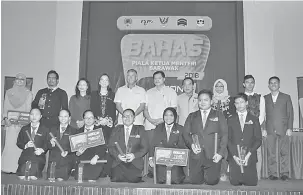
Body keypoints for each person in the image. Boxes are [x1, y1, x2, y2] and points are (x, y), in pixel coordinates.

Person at [183, 89, 228, 185]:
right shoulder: (192, 116)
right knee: (195, 181)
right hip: (197, 154)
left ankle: (213, 174)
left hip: (213, 155)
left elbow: (224, 134)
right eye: (200, 100)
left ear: (211, 101)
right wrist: (191, 145)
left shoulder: (219, 115)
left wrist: (220, 153)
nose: (202, 102)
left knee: (212, 181)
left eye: (205, 100)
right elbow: (185, 133)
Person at [144, 71, 178, 177]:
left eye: (159, 78)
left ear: (164, 79)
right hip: (150, 125)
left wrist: (163, 121)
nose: (157, 80)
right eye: (155, 78)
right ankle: (150, 171)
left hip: (165, 125)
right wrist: (151, 119)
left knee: (163, 148)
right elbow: (145, 109)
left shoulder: (171, 92)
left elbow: (174, 110)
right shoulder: (148, 92)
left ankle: (162, 171)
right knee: (151, 147)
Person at [227, 93, 262, 186]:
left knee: (251, 183)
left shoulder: (254, 119)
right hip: (235, 157)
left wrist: (248, 155)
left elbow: (258, 139)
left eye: (242, 102)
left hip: (249, 156)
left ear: (246, 103)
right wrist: (234, 156)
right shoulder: (230, 119)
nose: (239, 105)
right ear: (234, 105)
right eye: (237, 103)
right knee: (235, 183)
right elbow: (227, 139)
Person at [1, 73, 33, 174]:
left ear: (25, 82)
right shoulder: (8, 92)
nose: (19, 81)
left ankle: (17, 168)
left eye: (22, 80)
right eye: (18, 79)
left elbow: (28, 109)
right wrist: (5, 118)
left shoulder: (29, 93)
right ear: (14, 81)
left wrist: (24, 121)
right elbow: (5, 107)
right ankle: (6, 167)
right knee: (9, 145)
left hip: (21, 125)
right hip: (10, 125)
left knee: (19, 146)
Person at [264, 76, 294, 181]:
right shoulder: (265, 98)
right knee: (271, 152)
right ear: (268, 85)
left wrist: (290, 127)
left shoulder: (286, 97)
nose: (273, 84)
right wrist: (263, 128)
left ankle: (284, 173)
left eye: (275, 83)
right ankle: (272, 173)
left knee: (284, 152)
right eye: (271, 83)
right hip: (269, 129)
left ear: (279, 84)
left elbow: (290, 113)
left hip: (283, 128)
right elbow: (263, 114)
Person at [108, 109, 148, 183]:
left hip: (134, 162)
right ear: (122, 118)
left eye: (130, 116)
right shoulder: (116, 129)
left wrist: (134, 155)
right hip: (119, 162)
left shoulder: (140, 129)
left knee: (134, 179)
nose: (127, 118)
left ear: (134, 118)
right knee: (116, 178)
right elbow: (110, 147)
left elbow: (145, 148)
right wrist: (118, 156)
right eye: (125, 116)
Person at [149, 107, 186, 184]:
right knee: (161, 180)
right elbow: (153, 144)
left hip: (175, 161)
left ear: (175, 117)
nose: (168, 117)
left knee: (175, 180)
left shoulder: (181, 128)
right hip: (161, 159)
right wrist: (151, 158)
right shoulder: (158, 128)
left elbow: (182, 146)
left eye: (171, 115)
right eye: (166, 115)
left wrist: (172, 159)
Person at [211, 79, 235, 181]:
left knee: (224, 151)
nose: (219, 88)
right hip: (212, 130)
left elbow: (234, 116)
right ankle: (212, 172)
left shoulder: (231, 100)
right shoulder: (210, 100)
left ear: (225, 87)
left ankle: (223, 172)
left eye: (221, 86)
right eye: (217, 86)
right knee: (211, 150)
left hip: (226, 130)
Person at [242, 75, 266, 180]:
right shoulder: (239, 97)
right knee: (243, 150)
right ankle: (243, 173)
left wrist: (255, 125)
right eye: (247, 82)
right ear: (244, 84)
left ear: (254, 84)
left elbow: (262, 114)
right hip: (242, 128)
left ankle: (257, 175)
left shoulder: (260, 97)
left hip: (256, 127)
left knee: (257, 151)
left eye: (252, 82)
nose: (250, 84)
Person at [74, 110, 107, 182]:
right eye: (86, 118)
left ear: (95, 119)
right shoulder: (78, 131)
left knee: (91, 179)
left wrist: (96, 156)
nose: (88, 120)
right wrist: (77, 153)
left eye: (91, 117)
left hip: (95, 160)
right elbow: (74, 150)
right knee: (79, 178)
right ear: (83, 119)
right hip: (82, 161)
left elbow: (103, 147)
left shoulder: (100, 130)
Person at [16, 108, 49, 180]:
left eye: (37, 114)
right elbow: (18, 142)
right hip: (25, 157)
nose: (34, 116)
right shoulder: (24, 129)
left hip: (38, 158)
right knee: (22, 177)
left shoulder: (45, 129)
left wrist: (42, 150)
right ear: (29, 116)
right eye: (32, 114)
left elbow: (48, 143)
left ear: (40, 116)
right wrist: (25, 145)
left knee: (32, 177)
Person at [47, 109, 77, 181]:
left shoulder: (74, 131)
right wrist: (51, 144)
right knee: (51, 181)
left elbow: (75, 148)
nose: (63, 118)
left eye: (65, 116)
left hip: (66, 160)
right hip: (53, 160)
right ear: (58, 117)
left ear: (69, 118)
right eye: (61, 116)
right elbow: (46, 146)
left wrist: (67, 151)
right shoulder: (52, 129)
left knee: (60, 180)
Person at [90, 73, 116, 141]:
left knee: (108, 143)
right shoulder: (93, 94)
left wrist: (107, 120)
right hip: (97, 123)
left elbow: (113, 110)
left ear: (108, 83)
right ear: (99, 82)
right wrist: (99, 120)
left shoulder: (113, 95)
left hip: (108, 123)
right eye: (102, 80)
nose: (104, 82)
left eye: (106, 80)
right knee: (97, 144)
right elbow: (92, 108)